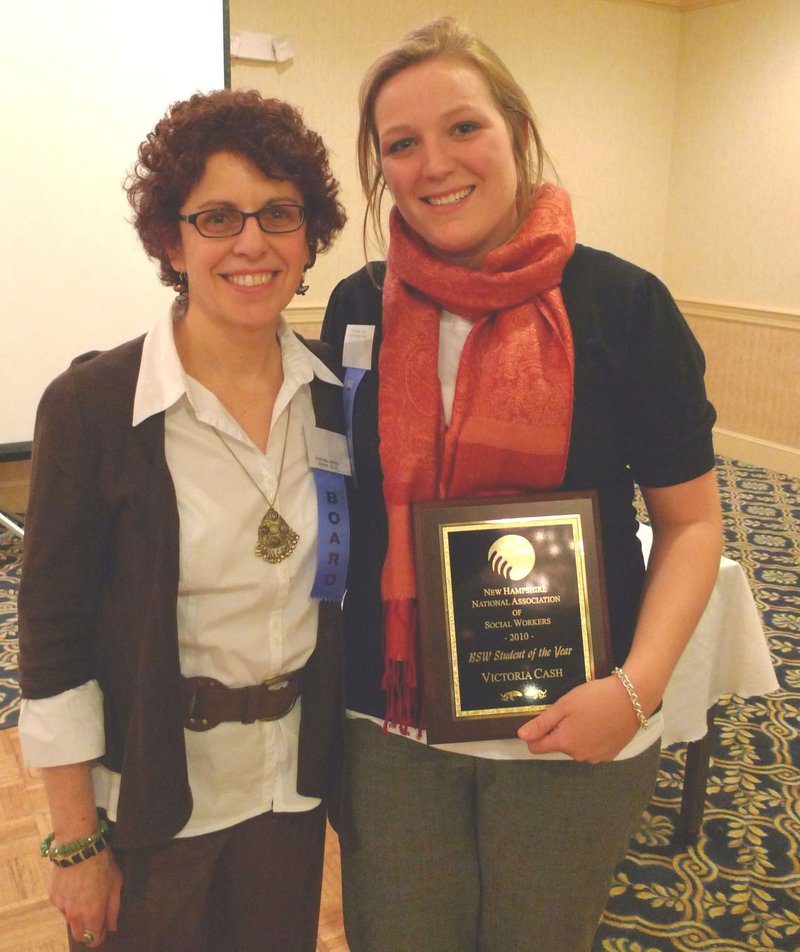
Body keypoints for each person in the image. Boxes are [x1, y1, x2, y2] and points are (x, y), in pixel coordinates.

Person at [320, 17, 723, 952]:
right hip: (390, 729)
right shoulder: (357, 308)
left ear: (515, 131)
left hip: (573, 723)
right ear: (383, 170)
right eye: (402, 145)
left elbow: (692, 525)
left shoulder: (624, 306)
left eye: (463, 128)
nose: (435, 164)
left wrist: (636, 689)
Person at [18, 89, 348, 952]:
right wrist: (76, 837)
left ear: (309, 235)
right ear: (171, 239)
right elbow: (51, 639)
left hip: (289, 788)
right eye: (217, 216)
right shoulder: (94, 406)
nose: (251, 242)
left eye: (279, 213)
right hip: (156, 790)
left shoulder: (338, 400)